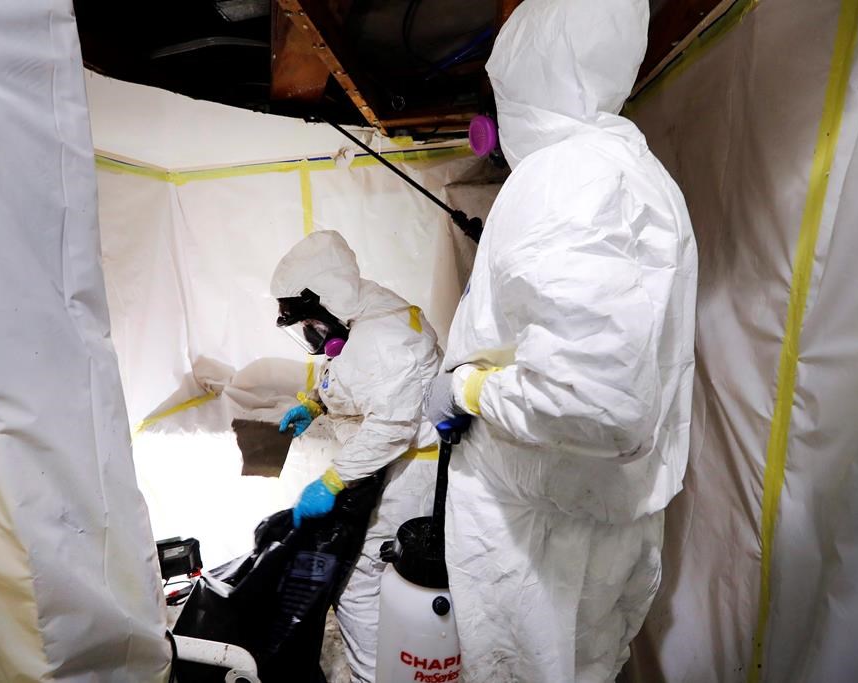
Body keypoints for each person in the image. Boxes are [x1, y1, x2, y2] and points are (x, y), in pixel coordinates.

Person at [422, 0, 698, 681]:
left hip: (541, 536)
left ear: (529, 72)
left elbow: (591, 399)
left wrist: (467, 387)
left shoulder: (569, 176)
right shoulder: (628, 169)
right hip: (579, 514)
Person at [272, 230, 442, 683]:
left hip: (410, 472)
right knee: (372, 571)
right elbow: (348, 369)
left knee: (356, 577)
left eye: (311, 323)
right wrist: (315, 402)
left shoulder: (385, 338)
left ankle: (377, 676)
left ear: (328, 299)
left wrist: (332, 481)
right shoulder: (361, 313)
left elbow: (391, 425)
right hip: (390, 465)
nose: (313, 335)